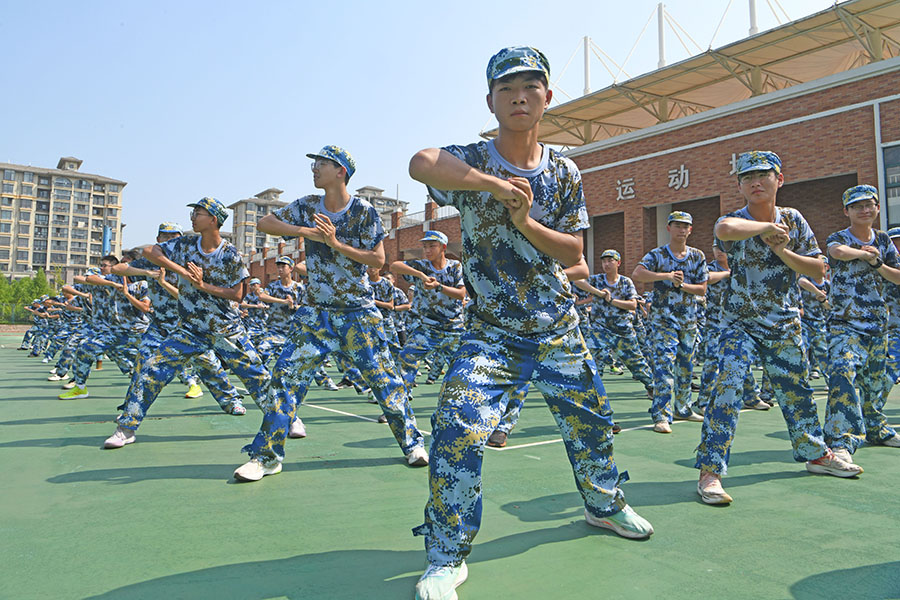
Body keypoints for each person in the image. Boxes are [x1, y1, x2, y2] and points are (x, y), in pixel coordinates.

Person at [408, 46, 652, 600]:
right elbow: (420, 162)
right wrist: (492, 187)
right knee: (456, 429)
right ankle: (446, 555)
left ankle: (603, 503)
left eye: (530, 86)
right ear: (491, 101)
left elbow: (573, 251)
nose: (519, 96)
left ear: (547, 96)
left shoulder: (564, 171)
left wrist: (525, 221)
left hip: (557, 327)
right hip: (491, 331)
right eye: (506, 88)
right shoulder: (473, 159)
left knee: (592, 428)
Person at [235, 145, 427, 482]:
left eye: (321, 164)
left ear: (341, 171)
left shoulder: (364, 212)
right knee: (285, 381)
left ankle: (412, 443)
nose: (314, 169)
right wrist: (306, 232)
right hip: (316, 314)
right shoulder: (308, 206)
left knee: (385, 382)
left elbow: (378, 261)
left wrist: (337, 245)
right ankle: (266, 456)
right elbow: (266, 222)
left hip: (358, 313)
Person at [695, 150, 862, 506]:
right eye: (746, 178)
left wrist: (784, 251)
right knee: (728, 386)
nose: (755, 182)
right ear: (740, 185)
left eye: (763, 175)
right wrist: (767, 229)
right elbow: (724, 229)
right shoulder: (736, 220)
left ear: (779, 179)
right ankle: (710, 471)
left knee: (796, 392)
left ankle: (816, 455)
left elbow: (818, 269)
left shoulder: (794, 220)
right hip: (739, 321)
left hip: (783, 322)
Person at [102, 197, 270, 450]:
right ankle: (126, 428)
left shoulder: (230, 254)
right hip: (189, 328)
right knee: (151, 369)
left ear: (213, 219)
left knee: (256, 375)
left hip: (224, 327)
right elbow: (149, 251)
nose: (193, 216)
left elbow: (237, 295)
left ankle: (286, 419)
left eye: (198, 213)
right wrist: (179, 271)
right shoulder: (186, 245)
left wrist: (202, 286)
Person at [823, 184, 900, 462]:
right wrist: (863, 254)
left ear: (878, 208)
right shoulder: (839, 237)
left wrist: (878, 263)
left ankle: (876, 428)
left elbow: (897, 276)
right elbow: (836, 252)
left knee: (875, 382)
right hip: (846, 323)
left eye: (870, 205)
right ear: (847, 211)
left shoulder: (884, 240)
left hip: (878, 323)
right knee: (843, 373)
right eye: (857, 206)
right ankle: (840, 440)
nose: (865, 210)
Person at [632, 211, 708, 431]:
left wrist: (681, 285)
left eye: (685, 226)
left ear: (690, 230)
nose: (681, 230)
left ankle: (683, 408)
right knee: (664, 367)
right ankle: (661, 415)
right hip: (663, 321)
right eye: (677, 226)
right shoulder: (657, 255)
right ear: (669, 228)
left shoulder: (697, 256)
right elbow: (638, 274)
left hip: (688, 320)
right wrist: (664, 276)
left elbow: (702, 288)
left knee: (686, 365)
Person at [391, 230, 466, 390]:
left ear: (443, 247)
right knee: (405, 360)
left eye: (432, 246)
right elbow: (394, 265)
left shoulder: (455, 266)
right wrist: (420, 275)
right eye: (425, 246)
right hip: (427, 329)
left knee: (462, 372)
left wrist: (438, 286)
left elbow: (461, 294)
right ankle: (398, 407)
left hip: (453, 330)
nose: (427, 250)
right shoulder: (421, 265)